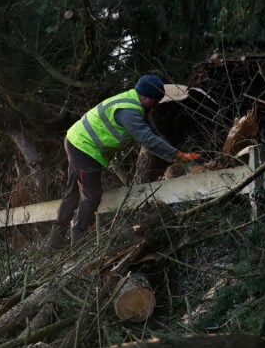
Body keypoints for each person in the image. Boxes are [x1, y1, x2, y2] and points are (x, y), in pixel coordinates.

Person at [48, 73, 200, 249]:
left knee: (73, 192)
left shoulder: (136, 104)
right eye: (155, 101)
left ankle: (55, 241)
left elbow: (154, 133)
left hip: (77, 141)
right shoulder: (129, 111)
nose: (157, 105)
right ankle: (79, 241)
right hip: (84, 146)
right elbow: (147, 139)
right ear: (145, 97)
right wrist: (176, 156)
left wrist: (176, 153)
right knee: (92, 193)